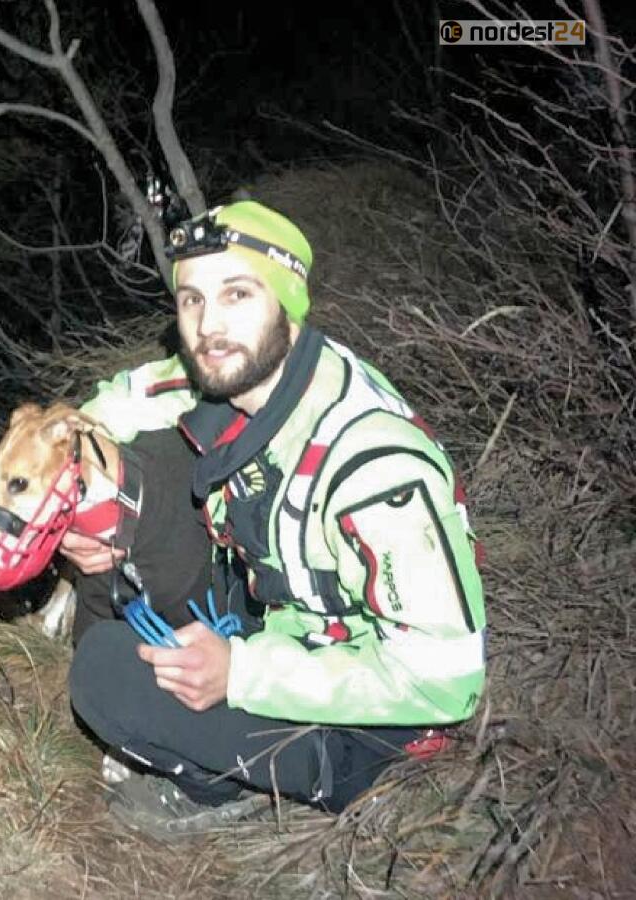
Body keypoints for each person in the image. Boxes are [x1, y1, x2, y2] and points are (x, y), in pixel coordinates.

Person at [62, 200, 487, 839]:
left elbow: (446, 682)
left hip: (365, 715)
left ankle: (224, 787)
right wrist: (77, 504)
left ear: (287, 301)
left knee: (103, 674)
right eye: (192, 301)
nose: (210, 326)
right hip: (277, 613)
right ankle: (218, 709)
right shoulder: (240, 373)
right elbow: (117, 405)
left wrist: (244, 673)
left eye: (237, 293)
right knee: (132, 481)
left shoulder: (376, 466)